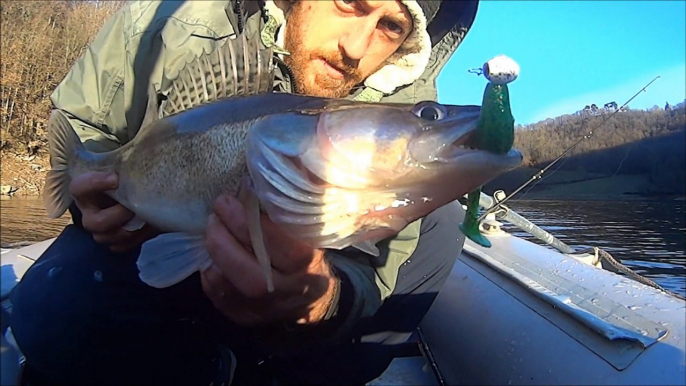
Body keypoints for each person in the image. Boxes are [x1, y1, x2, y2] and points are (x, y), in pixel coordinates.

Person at [8, 1, 479, 385]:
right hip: (134, 252)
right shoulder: (164, 21)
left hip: (282, 316)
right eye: (350, 3)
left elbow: (372, 267)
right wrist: (85, 197)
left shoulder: (396, 121)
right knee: (59, 309)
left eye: (391, 26)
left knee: (441, 228)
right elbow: (83, 125)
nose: (355, 48)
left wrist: (322, 302)